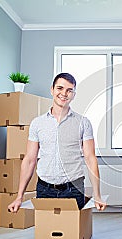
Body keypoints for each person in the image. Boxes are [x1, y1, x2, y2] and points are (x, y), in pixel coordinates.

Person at [8, 73, 106, 212]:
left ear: (74, 94)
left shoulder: (83, 123)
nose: (64, 93)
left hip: (73, 189)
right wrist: (19, 196)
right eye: (60, 88)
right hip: (44, 189)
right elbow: (30, 160)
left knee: (71, 233)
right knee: (46, 232)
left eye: (69, 90)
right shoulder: (37, 123)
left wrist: (97, 195)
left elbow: (90, 159)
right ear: (52, 90)